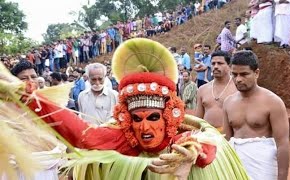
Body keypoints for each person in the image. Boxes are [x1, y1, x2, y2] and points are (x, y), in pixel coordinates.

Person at [0, 39, 249, 180]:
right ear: (126, 119)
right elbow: (81, 134)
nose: (145, 127)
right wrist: (27, 97)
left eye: (153, 117)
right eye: (136, 118)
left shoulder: (181, 134)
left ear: (169, 116)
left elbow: (204, 141)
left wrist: (192, 154)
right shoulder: (121, 137)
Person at [223, 50, 290, 180]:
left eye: (244, 74)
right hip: (235, 167)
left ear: (256, 73)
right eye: (234, 74)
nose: (238, 79)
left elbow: (282, 144)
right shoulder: (228, 102)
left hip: (263, 168)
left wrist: (282, 178)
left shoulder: (273, 102)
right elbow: (226, 140)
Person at [2, 60, 66, 180]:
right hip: (18, 172)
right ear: (14, 82)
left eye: (33, 77)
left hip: (48, 170)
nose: (30, 81)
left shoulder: (50, 104)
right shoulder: (5, 109)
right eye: (24, 78)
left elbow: (64, 136)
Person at [196, 51, 237, 131]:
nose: (215, 66)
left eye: (220, 63)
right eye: (213, 63)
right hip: (207, 136)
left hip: (230, 137)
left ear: (229, 66)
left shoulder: (237, 87)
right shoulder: (202, 89)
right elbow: (198, 119)